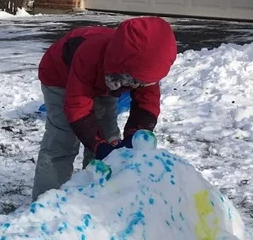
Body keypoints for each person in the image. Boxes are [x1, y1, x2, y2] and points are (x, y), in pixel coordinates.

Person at [31, 16, 178, 201]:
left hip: (105, 81)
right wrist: (97, 144)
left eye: (143, 82)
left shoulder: (147, 63)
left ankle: (96, 198)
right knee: (62, 141)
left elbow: (147, 101)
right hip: (60, 76)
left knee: (108, 137)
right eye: (135, 80)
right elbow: (77, 106)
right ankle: (45, 205)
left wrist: (135, 134)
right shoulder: (91, 54)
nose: (139, 86)